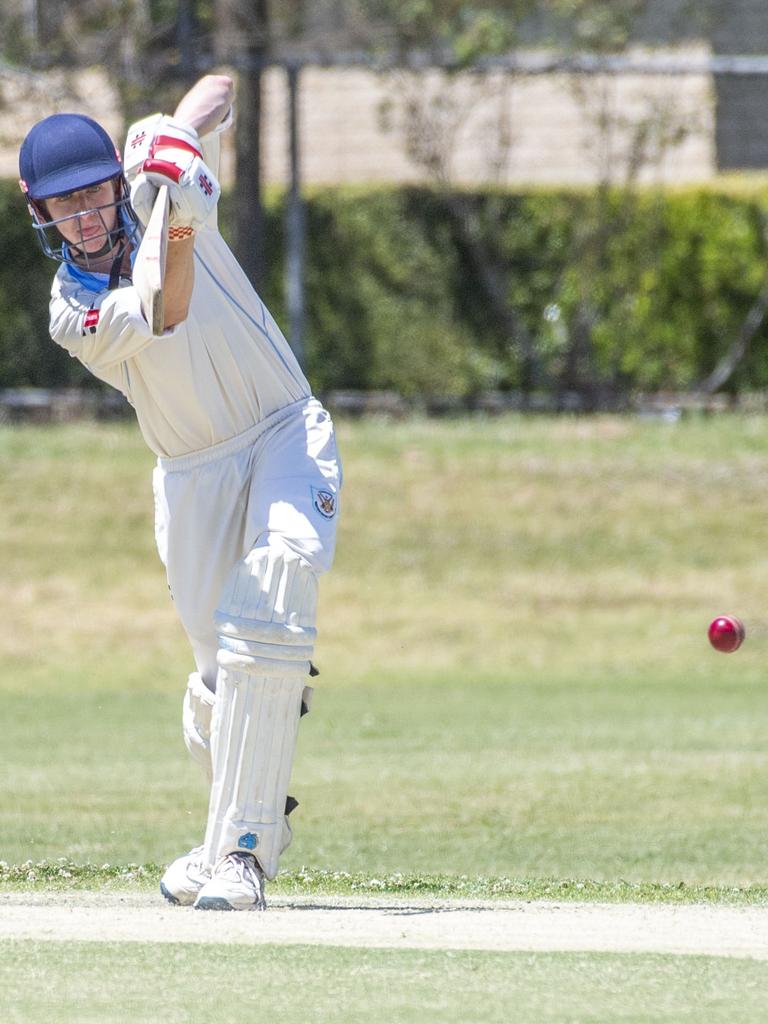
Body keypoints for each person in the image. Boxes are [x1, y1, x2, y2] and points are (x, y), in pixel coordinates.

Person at [18, 74, 342, 911]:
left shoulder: (152, 176)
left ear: (113, 182)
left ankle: (241, 858)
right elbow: (165, 306)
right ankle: (238, 832)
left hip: (280, 430)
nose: (87, 216)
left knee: (271, 603)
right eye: (65, 206)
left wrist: (178, 142)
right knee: (220, 677)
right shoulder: (71, 309)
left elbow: (218, 89)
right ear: (40, 215)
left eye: (95, 193)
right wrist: (187, 222)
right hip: (189, 475)